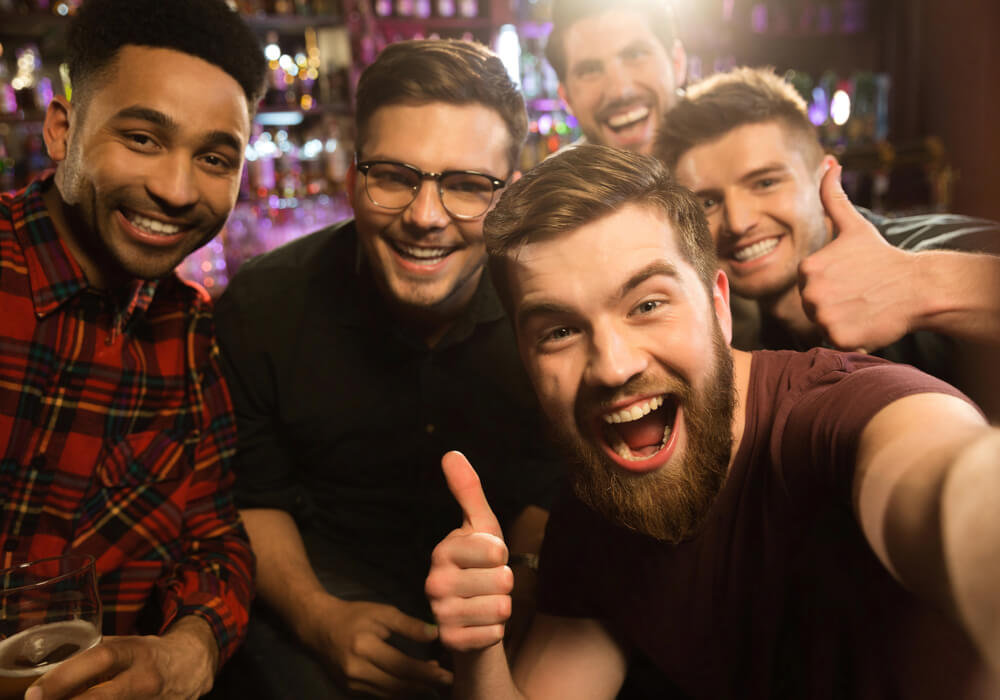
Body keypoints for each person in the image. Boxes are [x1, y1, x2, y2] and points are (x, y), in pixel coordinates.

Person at [424, 144, 1000, 699]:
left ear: (718, 307)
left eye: (648, 305)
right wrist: (478, 651)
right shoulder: (598, 505)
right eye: (559, 331)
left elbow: (936, 476)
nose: (613, 366)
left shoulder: (844, 412)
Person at [213, 39, 561, 700]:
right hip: (320, 612)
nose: (424, 218)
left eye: (464, 186)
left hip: (516, 606)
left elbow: (552, 490)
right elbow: (254, 497)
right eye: (395, 176)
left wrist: (505, 621)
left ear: (507, 198)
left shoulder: (547, 310)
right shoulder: (263, 308)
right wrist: (320, 622)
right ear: (353, 177)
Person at [0, 0, 267, 698]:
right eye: (144, 139)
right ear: (63, 131)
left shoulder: (188, 330)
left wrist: (188, 649)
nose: (176, 191)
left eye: (214, 158)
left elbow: (214, 539)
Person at [656, 67, 1000, 420]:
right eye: (708, 203)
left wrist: (918, 284)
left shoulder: (916, 251)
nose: (740, 222)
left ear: (824, 178)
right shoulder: (740, 338)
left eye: (765, 183)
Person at [543, 0, 687, 155]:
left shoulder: (717, 151)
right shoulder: (551, 179)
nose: (620, 91)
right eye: (590, 71)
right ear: (566, 98)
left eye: (635, 55)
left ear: (677, 63)